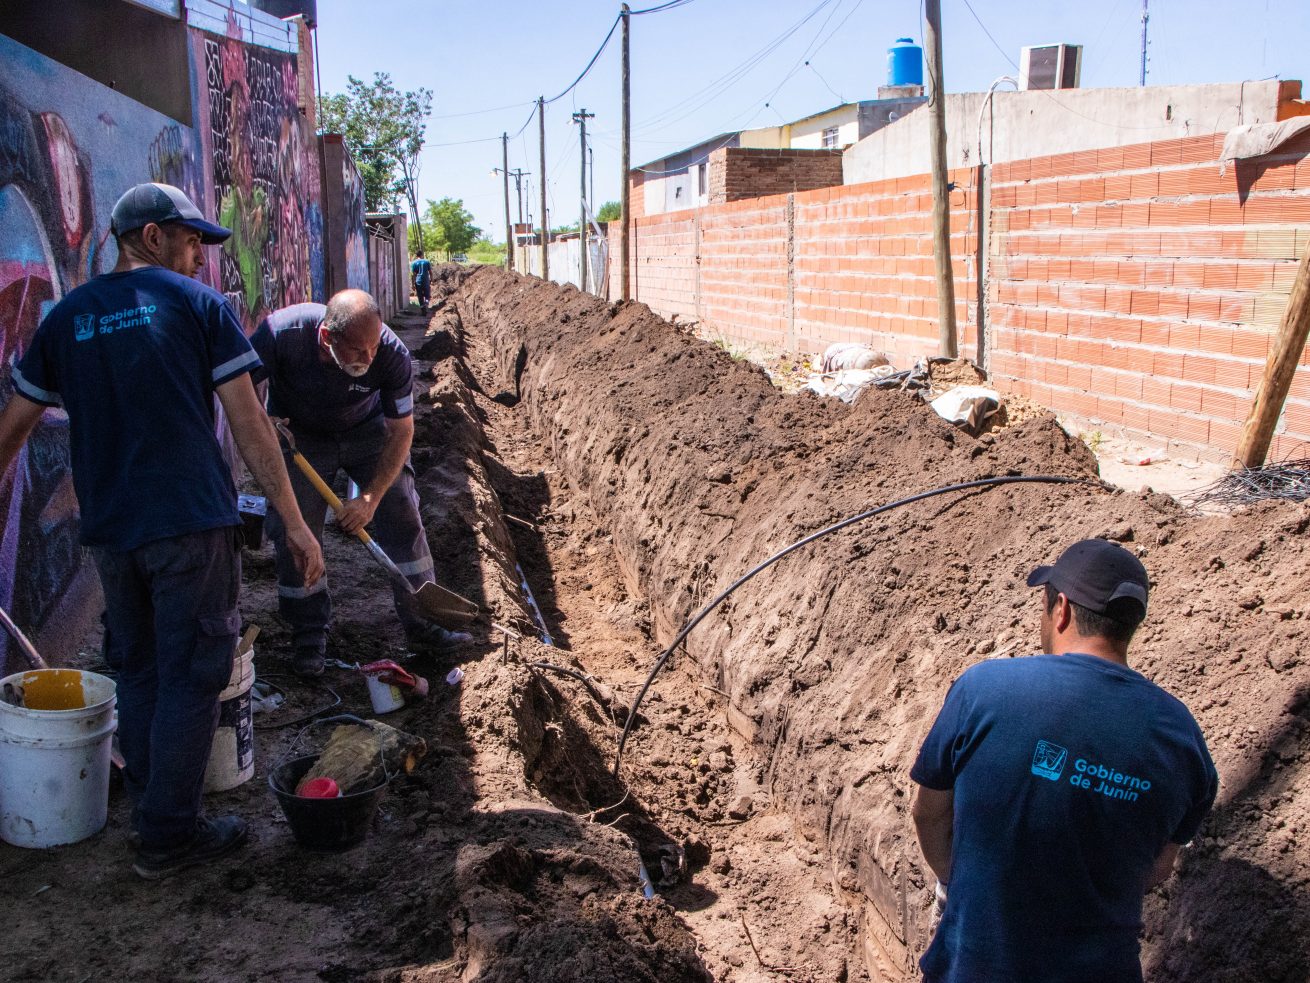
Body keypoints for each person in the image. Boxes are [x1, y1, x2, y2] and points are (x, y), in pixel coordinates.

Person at [0, 182, 324, 879]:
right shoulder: (198, 307)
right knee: (195, 671)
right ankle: (169, 836)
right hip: (189, 523)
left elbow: (14, 430)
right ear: (152, 237)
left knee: (139, 667)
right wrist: (295, 524)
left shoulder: (66, 320)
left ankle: (154, 801)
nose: (200, 257)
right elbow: (250, 424)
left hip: (112, 532)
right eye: (191, 241)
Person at [910, 539, 1217, 983]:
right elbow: (1156, 868)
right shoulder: (1183, 738)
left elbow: (930, 814)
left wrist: (952, 882)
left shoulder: (984, 690)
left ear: (1062, 610)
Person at [250, 290, 467, 677]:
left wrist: (369, 498)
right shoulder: (281, 333)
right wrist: (264, 424)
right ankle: (308, 632)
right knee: (291, 527)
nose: (369, 359)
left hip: (368, 432)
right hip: (298, 438)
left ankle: (422, 622)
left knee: (400, 507)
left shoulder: (391, 353)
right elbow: (240, 390)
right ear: (326, 338)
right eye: (357, 351)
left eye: (373, 348)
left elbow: (401, 432)